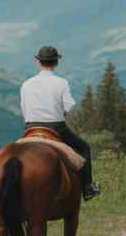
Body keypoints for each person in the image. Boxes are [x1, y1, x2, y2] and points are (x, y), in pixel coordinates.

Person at [20, 46, 100, 201]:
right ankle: (88, 188)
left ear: (38, 62)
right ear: (56, 62)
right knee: (84, 148)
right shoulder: (61, 83)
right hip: (56, 128)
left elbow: (24, 109)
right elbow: (68, 106)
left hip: (31, 128)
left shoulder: (26, 84)